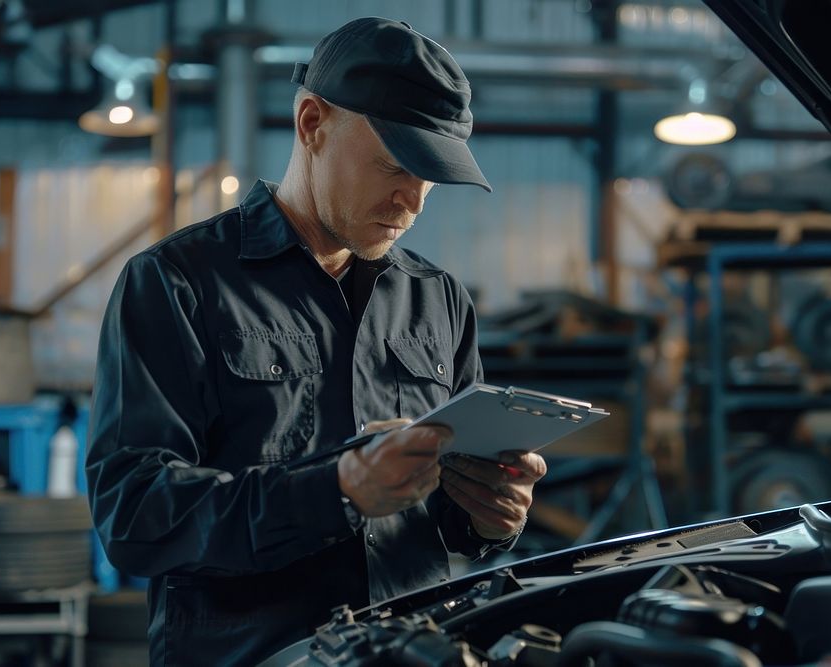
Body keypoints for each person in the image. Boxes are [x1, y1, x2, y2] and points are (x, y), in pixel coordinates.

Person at [86, 16, 547, 666]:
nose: (411, 200)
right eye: (395, 164)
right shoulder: (177, 282)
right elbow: (133, 516)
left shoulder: (438, 299)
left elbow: (447, 521)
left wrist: (490, 515)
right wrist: (339, 489)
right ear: (312, 124)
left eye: (431, 176)